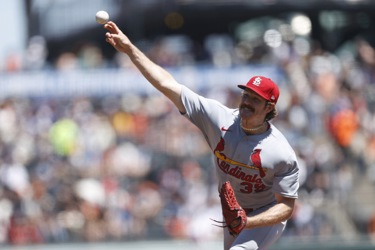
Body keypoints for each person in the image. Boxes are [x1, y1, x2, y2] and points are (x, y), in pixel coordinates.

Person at [103, 21, 299, 250]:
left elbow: (286, 206)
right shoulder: (219, 118)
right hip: (233, 213)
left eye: (255, 99)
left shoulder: (281, 152)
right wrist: (130, 50)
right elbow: (168, 84)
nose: (246, 102)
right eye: (246, 95)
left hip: (265, 217)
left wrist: (249, 222)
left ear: (269, 108)